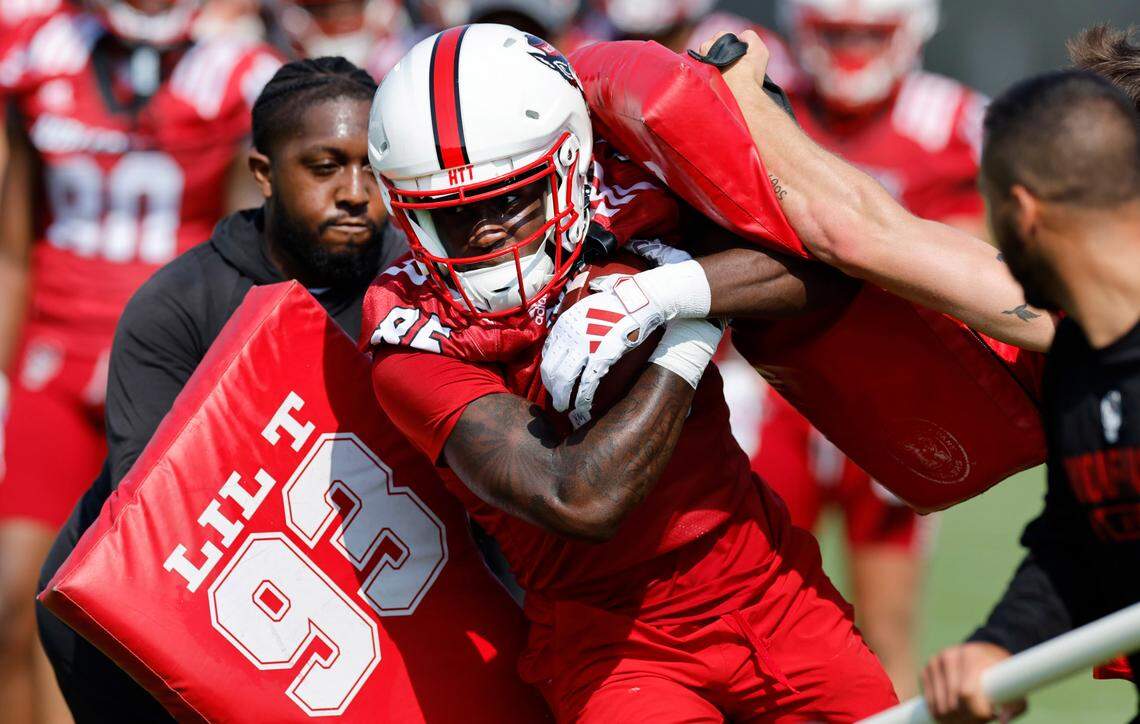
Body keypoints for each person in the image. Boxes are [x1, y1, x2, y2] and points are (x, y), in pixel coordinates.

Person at [365, 22, 896, 722]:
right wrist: (691, 330)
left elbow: (828, 264)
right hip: (614, 642)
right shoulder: (411, 334)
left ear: (572, 162)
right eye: (452, 213)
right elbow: (580, 500)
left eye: (510, 198)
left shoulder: (634, 191)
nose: (487, 231)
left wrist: (670, 290)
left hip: (763, 581)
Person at [702, 27, 1140, 723]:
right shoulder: (1082, 337)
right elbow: (1078, 537)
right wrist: (1000, 644)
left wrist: (741, 99)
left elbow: (858, 231)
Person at [32, 56, 411, 722]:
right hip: (175, 616)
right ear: (263, 173)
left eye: (371, 168)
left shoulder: (418, 286)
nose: (355, 192)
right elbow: (159, 532)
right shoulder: (177, 308)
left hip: (373, 586)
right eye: (325, 167)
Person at [0, 2, 280, 720]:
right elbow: (12, 247)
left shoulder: (238, 74)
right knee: (12, 599)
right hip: (54, 358)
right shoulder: (42, 51)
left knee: (150, 617)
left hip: (171, 363)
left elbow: (243, 251)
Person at [724, 0, 988, 698]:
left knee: (886, 633)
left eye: (868, 32)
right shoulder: (760, 97)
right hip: (774, 386)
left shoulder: (958, 120)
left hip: (896, 390)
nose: (850, 46)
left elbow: (986, 252)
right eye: (837, 31)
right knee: (756, 623)